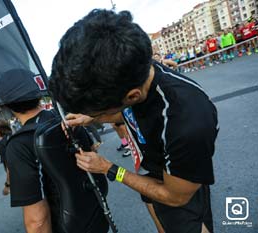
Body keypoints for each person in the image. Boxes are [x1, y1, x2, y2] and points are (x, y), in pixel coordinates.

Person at [49, 9, 218, 233]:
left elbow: (175, 197)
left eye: (99, 112)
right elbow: (127, 112)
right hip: (152, 174)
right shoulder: (135, 70)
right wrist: (89, 117)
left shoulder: (187, 123)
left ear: (132, 96)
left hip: (172, 185)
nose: (99, 117)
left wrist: (109, 168)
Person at [0, 69, 109, 233]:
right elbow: (93, 155)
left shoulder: (19, 144)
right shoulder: (68, 120)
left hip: (66, 226)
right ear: (39, 92)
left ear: (7, 105)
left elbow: (37, 221)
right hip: (95, 212)